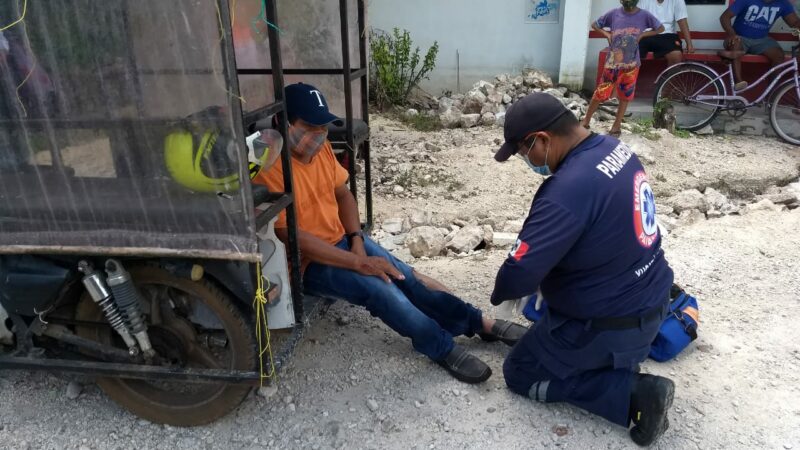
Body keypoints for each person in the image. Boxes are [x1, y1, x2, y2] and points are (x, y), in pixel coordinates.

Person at [253, 83, 527, 384]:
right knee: (380, 289)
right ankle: (441, 347)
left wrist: (356, 240)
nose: (318, 134)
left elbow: (343, 195)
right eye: (309, 126)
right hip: (307, 262)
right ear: (284, 122)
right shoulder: (269, 167)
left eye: (322, 126)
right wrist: (357, 263)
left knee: (405, 277)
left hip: (343, 242)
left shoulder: (322, 152)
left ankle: (479, 322)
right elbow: (288, 235)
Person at [493, 92, 676, 447]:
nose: (525, 160)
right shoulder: (613, 148)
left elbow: (518, 274)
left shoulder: (566, 190)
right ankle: (609, 360)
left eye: (522, 152)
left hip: (614, 325)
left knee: (519, 371)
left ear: (542, 139)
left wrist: (500, 293)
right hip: (651, 302)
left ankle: (634, 394)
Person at [581, 0, 664, 137]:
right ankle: (586, 120)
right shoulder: (614, 14)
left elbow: (660, 28)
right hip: (613, 61)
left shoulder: (644, 15)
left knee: (625, 94)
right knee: (601, 91)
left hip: (631, 63)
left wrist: (642, 35)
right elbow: (595, 25)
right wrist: (607, 34)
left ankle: (616, 125)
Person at [720, 0, 800, 89]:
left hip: (761, 40)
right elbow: (724, 17)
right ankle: (738, 83)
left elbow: (794, 23)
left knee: (779, 55)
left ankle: (771, 90)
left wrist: (797, 26)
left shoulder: (782, 3)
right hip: (740, 37)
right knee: (735, 44)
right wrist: (732, 34)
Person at [639, 0, 695, 66]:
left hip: (668, 35)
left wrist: (689, 44)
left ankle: (669, 76)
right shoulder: (642, 1)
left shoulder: (677, 1)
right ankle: (633, 76)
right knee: (630, 53)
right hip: (647, 34)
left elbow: (682, 20)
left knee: (676, 54)